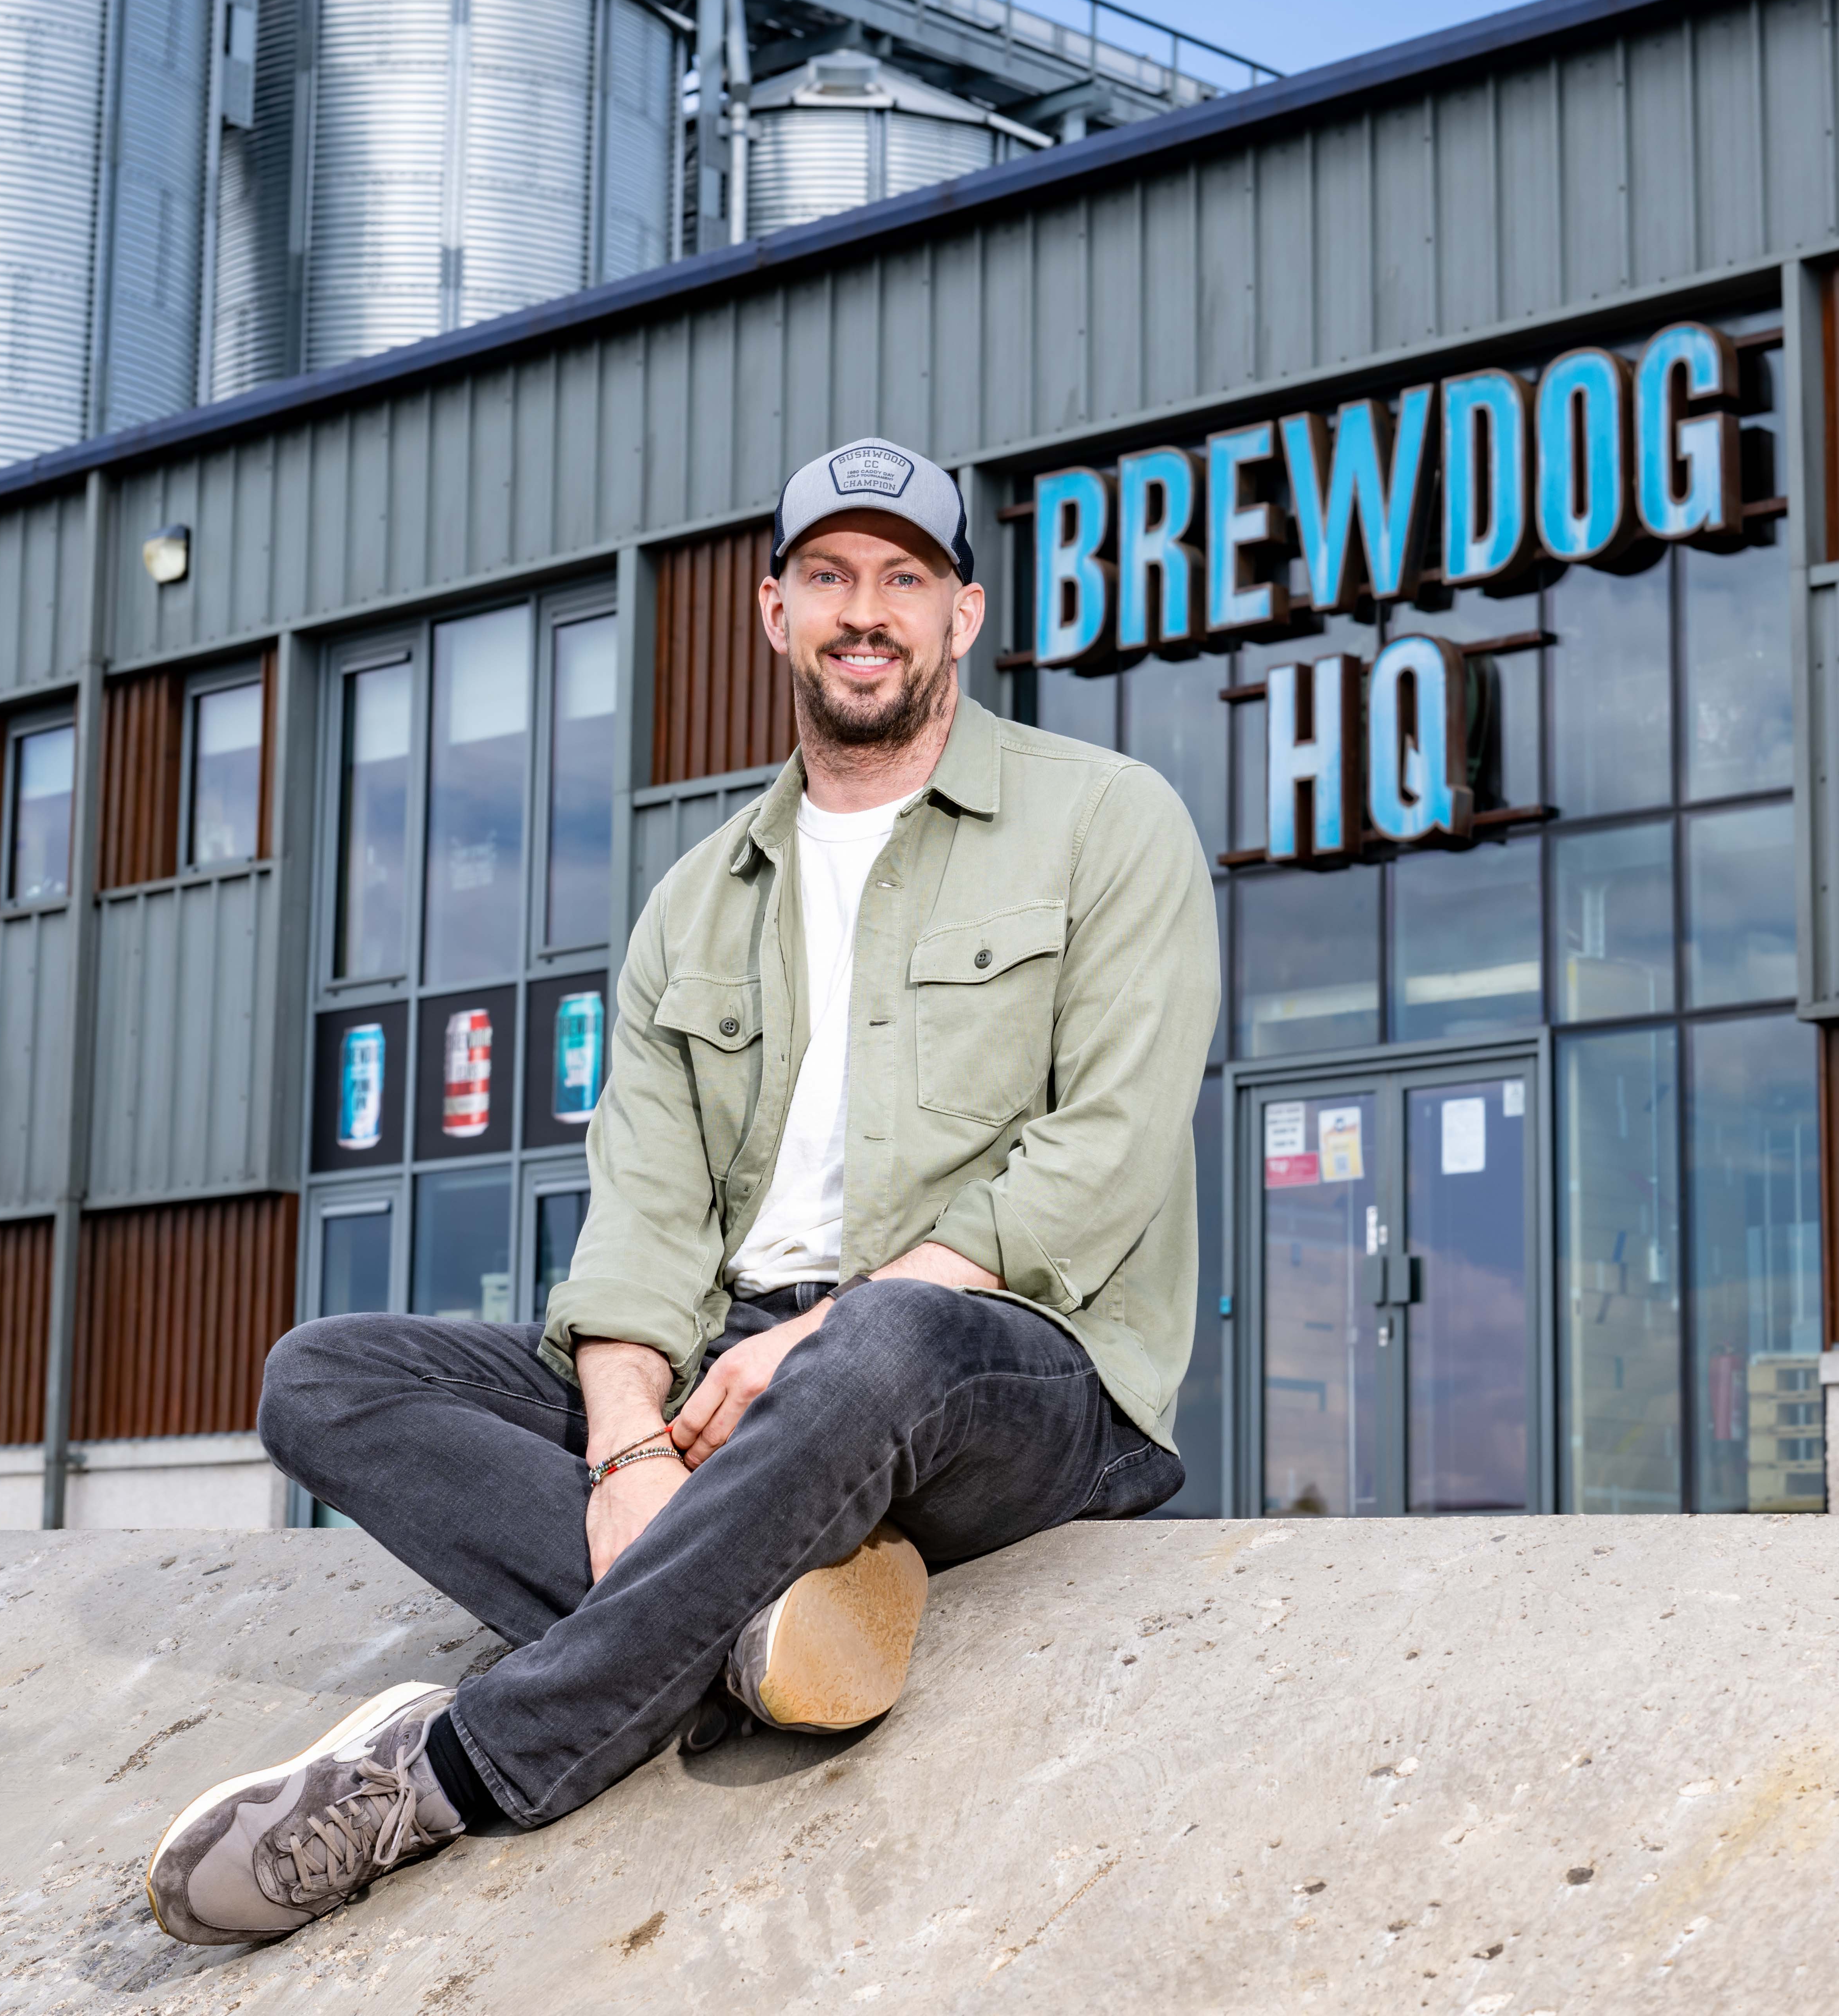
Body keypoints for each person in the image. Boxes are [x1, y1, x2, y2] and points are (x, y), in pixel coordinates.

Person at [145, 437, 1220, 1946]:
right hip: (734, 1386)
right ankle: (755, 1637)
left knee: (884, 1345)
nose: (868, 612)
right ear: (773, 611)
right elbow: (645, 1214)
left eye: (905, 579)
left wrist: (823, 1335)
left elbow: (1101, 1158)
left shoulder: (1109, 823)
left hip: (1016, 1375)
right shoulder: (697, 896)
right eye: (830, 578)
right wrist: (627, 1439)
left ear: (964, 616)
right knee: (326, 1375)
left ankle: (457, 1767)